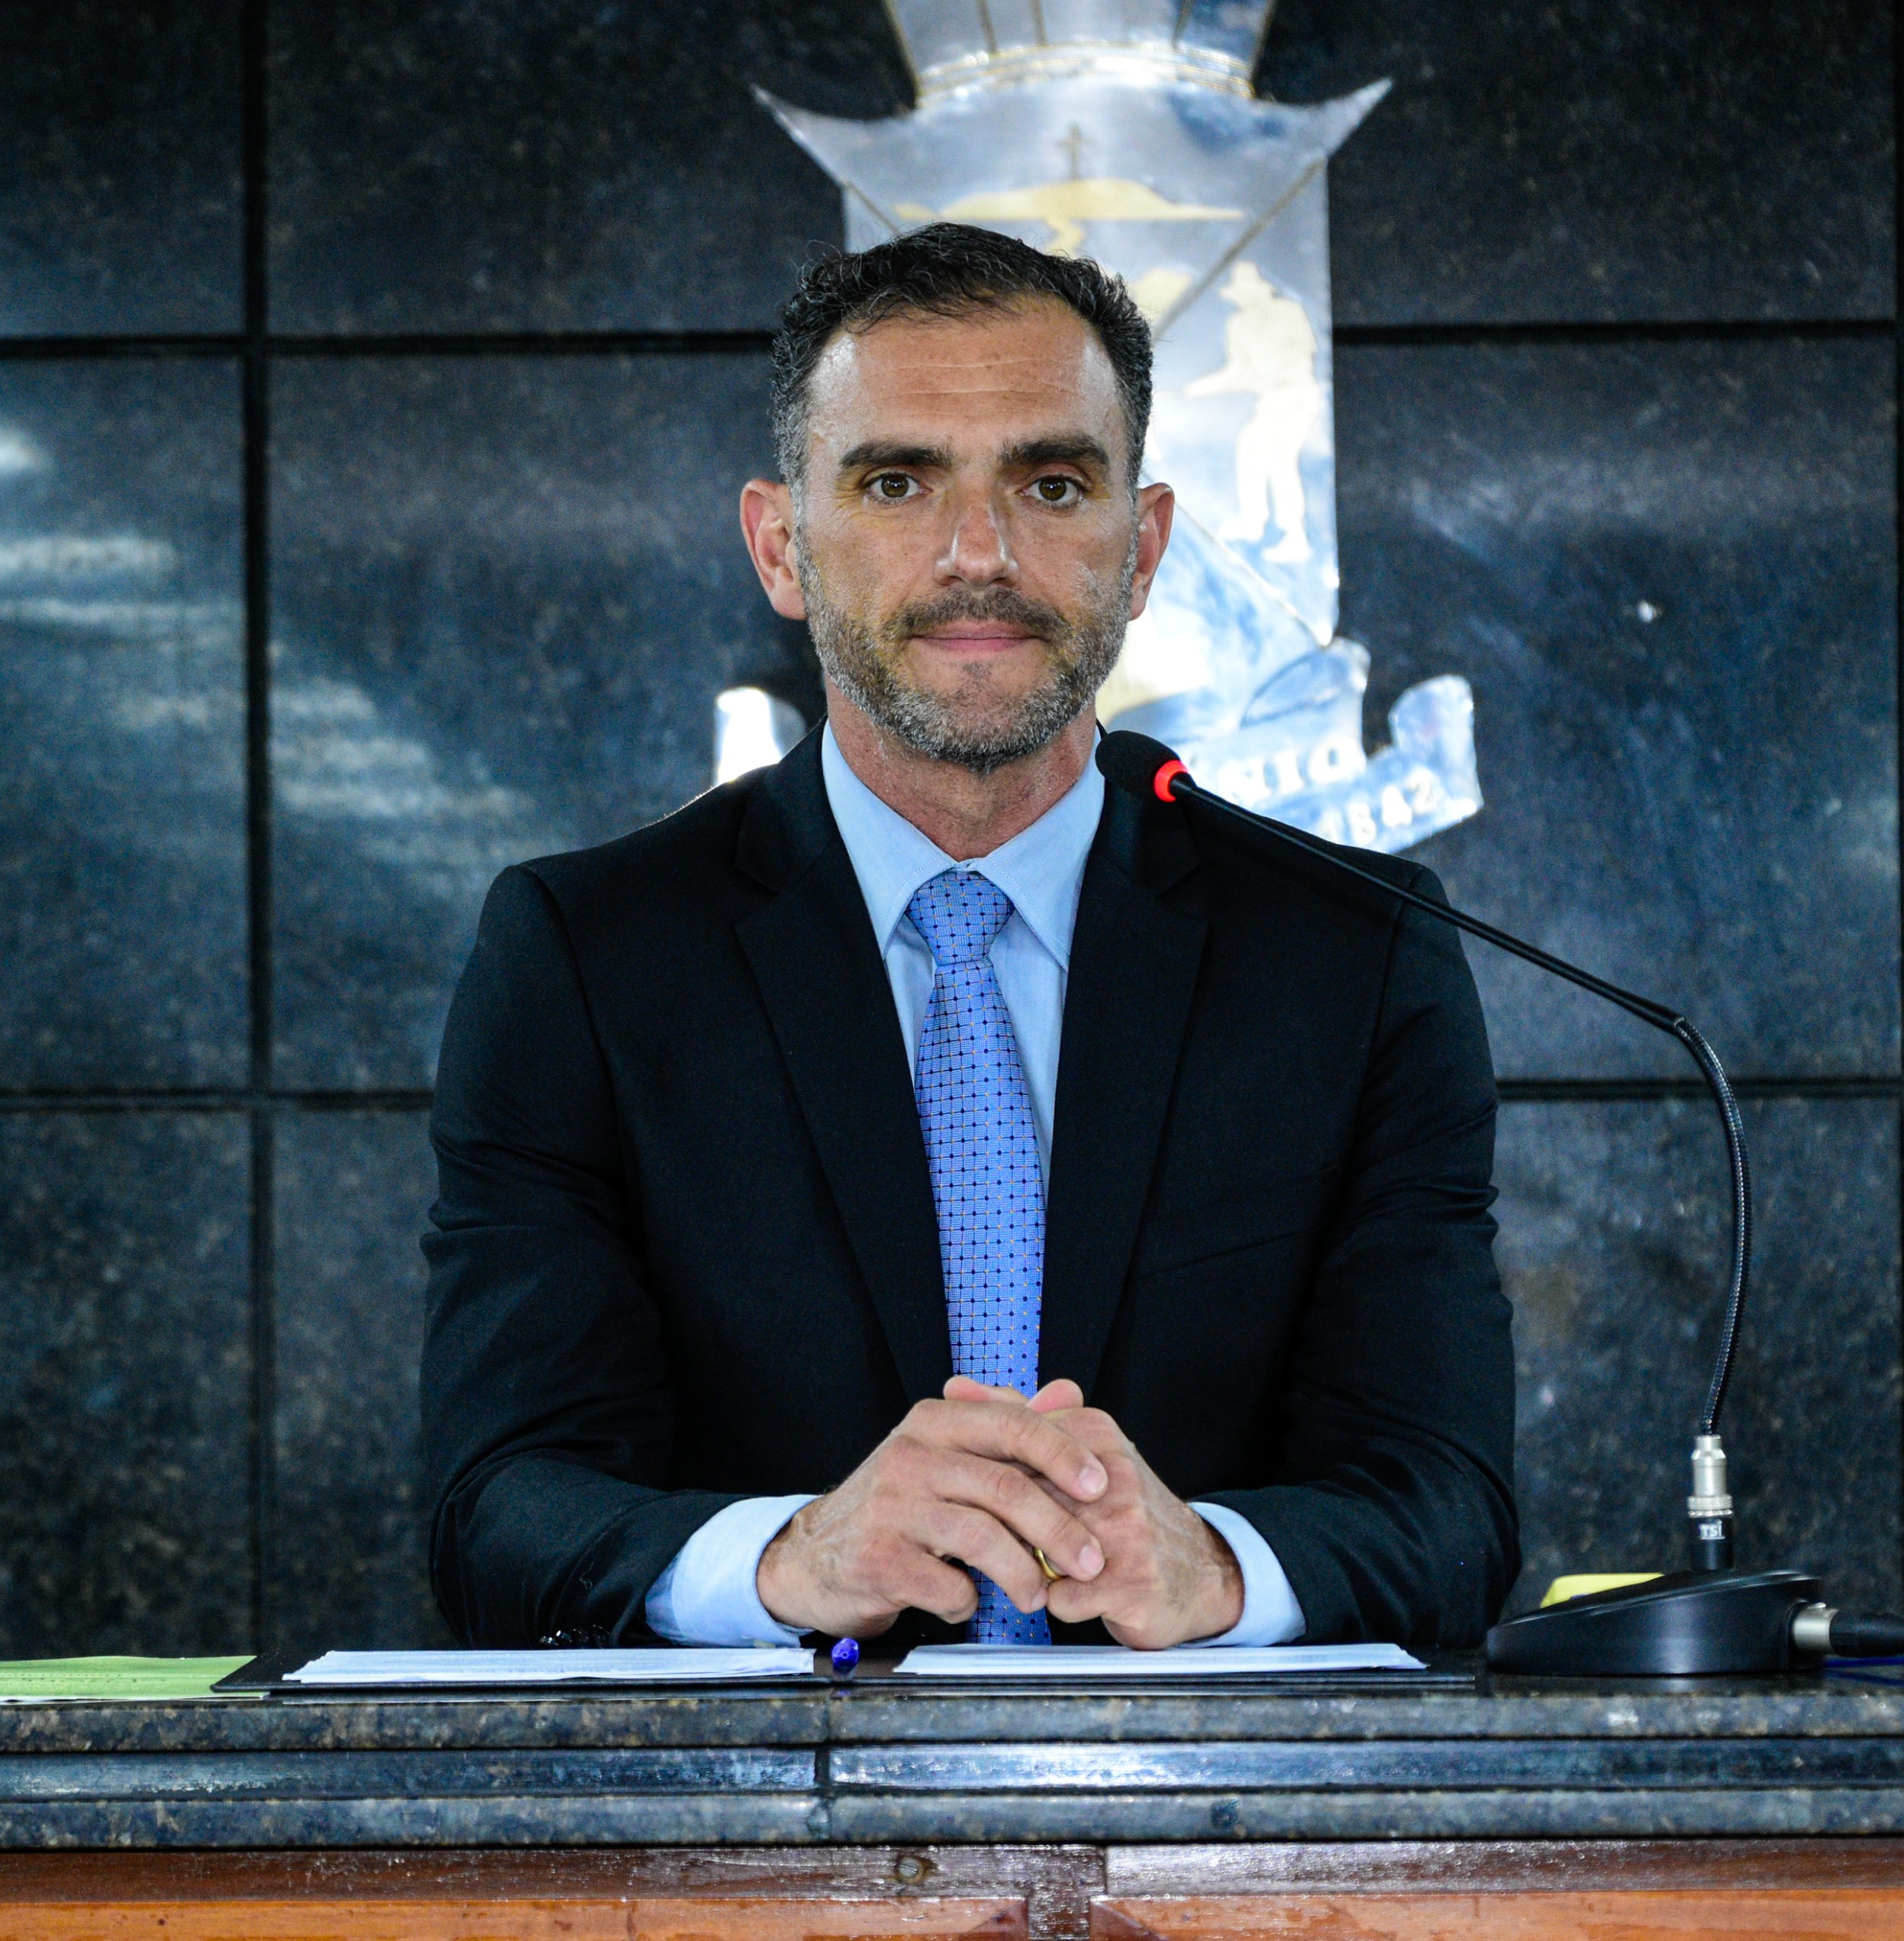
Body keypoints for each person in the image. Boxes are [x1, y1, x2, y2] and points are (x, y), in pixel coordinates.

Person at [421, 223, 1515, 1652]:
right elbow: (499, 1504)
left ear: (1144, 548)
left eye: (1051, 485)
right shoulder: (585, 960)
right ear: (782, 546)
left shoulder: (1357, 959)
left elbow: (1448, 1502)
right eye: (897, 482)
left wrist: (1217, 1567)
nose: (980, 555)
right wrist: (788, 1558)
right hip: (758, 1801)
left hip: (1215, 1794)